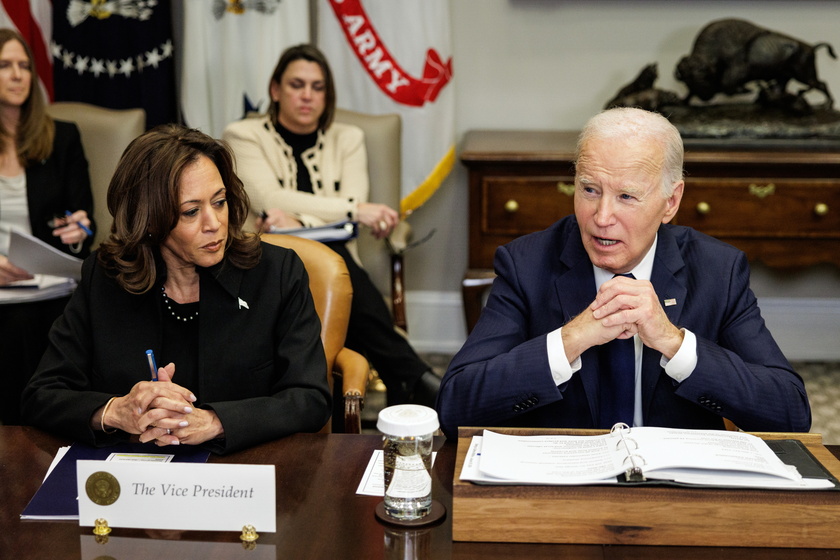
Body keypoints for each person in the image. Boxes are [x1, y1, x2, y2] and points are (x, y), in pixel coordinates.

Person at [435, 107, 811, 439]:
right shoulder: (527, 264)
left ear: (671, 202)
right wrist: (569, 340)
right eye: (589, 189)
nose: (601, 218)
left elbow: (790, 414)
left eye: (626, 197)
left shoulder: (717, 271)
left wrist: (674, 343)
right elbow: (454, 409)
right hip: (564, 488)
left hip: (677, 494)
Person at [22, 124, 331, 454]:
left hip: (243, 473)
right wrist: (116, 411)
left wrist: (214, 422)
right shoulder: (106, 276)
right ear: (150, 219)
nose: (213, 223)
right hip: (134, 477)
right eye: (191, 211)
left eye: (220, 201)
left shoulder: (276, 274)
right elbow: (41, 394)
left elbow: (309, 398)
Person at [223, 44, 439, 407]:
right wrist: (349, 211)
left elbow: (349, 200)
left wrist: (300, 221)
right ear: (275, 91)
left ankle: (403, 380)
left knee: (333, 258)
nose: (307, 95)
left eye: (318, 87)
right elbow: (269, 197)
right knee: (334, 258)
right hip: (265, 259)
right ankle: (411, 377)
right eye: (296, 84)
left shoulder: (349, 138)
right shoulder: (242, 135)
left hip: (335, 257)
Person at [0, 29, 94, 425]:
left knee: (41, 323)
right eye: (5, 66)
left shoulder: (62, 138)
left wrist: (79, 232)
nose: (18, 75)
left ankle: (41, 433)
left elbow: (86, 223)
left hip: (47, 285)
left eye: (24, 66)